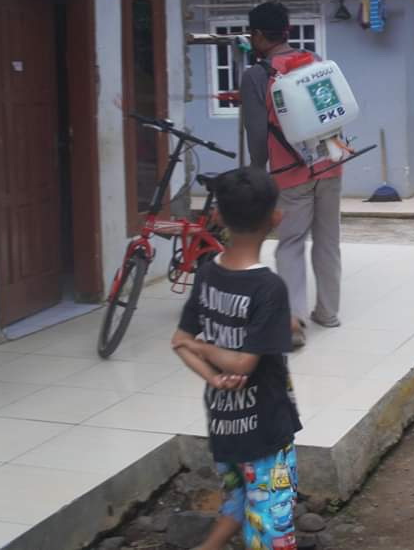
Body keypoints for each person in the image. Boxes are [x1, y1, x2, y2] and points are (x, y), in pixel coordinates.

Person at [171, 167, 302, 550]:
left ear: (218, 217)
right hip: (263, 426)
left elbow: (180, 341)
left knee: (239, 497)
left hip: (224, 420)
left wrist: (211, 377)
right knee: (272, 526)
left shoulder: (208, 274)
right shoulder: (269, 287)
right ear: (276, 218)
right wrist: (211, 352)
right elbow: (244, 363)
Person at [241, 1, 342, 347]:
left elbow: (257, 135)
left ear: (257, 35)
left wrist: (257, 174)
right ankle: (328, 312)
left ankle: (294, 321)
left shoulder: (256, 75)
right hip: (330, 166)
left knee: (291, 245)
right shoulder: (314, 63)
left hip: (289, 174)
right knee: (328, 242)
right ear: (286, 31)